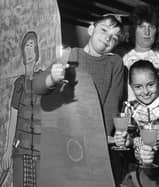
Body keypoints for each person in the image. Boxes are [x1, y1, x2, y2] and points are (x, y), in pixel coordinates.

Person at [32, 15, 124, 186]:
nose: (107, 38)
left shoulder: (115, 63)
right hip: (62, 137)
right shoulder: (70, 54)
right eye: (104, 30)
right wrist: (52, 78)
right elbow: (37, 87)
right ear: (91, 29)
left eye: (114, 37)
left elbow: (112, 105)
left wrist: (100, 142)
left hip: (94, 142)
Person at [113, 60, 159, 186]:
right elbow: (128, 136)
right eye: (138, 87)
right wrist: (125, 140)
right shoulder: (129, 107)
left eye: (150, 85)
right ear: (131, 86)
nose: (145, 92)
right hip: (138, 167)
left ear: (158, 81)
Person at [1, 31, 41, 186]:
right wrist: (8, 151)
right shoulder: (19, 84)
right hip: (20, 150)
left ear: (37, 51)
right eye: (26, 46)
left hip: (39, 150)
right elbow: (14, 116)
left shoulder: (43, 79)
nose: (29, 50)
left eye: (32, 46)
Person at [123, 5, 159, 101]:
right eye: (142, 27)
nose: (147, 32)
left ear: (156, 31)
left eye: (151, 27)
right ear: (134, 30)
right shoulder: (124, 61)